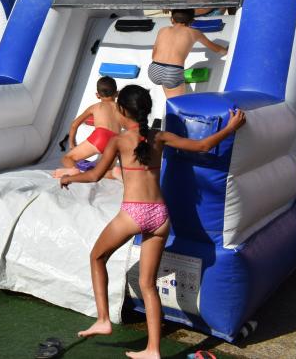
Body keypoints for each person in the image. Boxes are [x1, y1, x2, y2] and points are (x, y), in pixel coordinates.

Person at [60, 85, 246, 359]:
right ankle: (153, 350)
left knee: (97, 257)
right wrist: (231, 127)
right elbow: (203, 146)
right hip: (160, 216)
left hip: (133, 213)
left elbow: (95, 175)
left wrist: (69, 178)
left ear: (122, 110)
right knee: (148, 285)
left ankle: (103, 319)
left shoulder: (119, 141)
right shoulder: (159, 136)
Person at [148, 9, 228, 100]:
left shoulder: (162, 30)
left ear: (172, 19)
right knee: (178, 102)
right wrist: (226, 51)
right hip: (172, 72)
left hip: (154, 69)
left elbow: (153, 55)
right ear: (192, 21)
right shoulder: (194, 33)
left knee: (169, 93)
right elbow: (216, 48)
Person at [53, 77, 122, 179]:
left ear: (97, 95)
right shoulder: (121, 108)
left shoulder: (95, 107)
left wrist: (72, 144)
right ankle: (114, 173)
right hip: (116, 141)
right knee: (104, 171)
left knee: (67, 158)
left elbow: (74, 124)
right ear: (117, 93)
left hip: (100, 136)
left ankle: (74, 170)